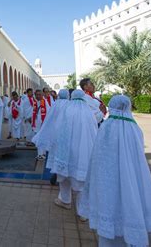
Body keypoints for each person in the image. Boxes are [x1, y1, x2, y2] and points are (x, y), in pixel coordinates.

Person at [78, 95, 151, 246]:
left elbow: (98, 156)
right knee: (128, 204)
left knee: (109, 209)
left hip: (108, 179)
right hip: (131, 178)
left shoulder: (107, 127)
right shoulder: (135, 128)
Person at [47, 89, 97, 217]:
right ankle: (83, 212)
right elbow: (94, 131)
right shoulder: (89, 112)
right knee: (82, 180)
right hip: (84, 151)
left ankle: (65, 200)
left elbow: (58, 129)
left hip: (66, 150)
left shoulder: (67, 110)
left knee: (64, 176)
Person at [31, 89, 50, 160]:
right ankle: (42, 153)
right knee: (39, 138)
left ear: (42, 95)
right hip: (36, 123)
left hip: (42, 123)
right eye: (37, 94)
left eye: (39, 94)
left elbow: (48, 113)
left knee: (41, 138)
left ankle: (41, 154)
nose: (38, 96)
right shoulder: (35, 102)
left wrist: (45, 123)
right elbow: (33, 111)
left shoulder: (44, 102)